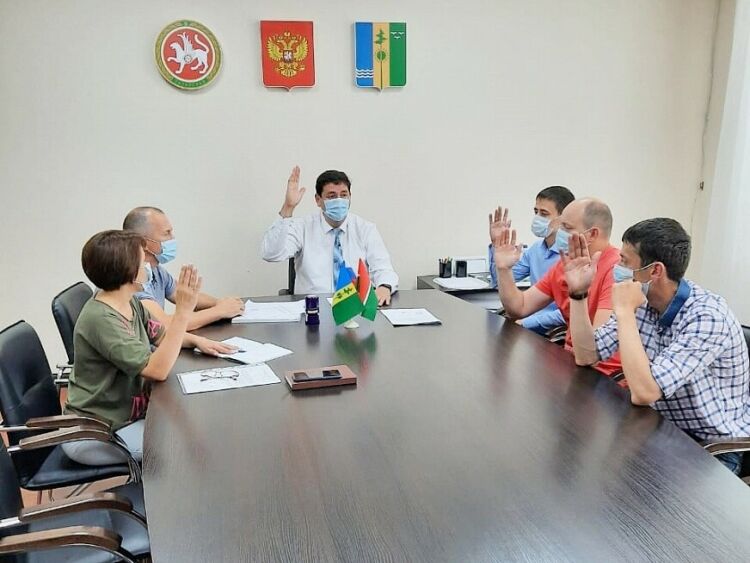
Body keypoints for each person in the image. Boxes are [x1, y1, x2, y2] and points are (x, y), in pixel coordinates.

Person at [564, 218, 750, 474]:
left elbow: (645, 393)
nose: (618, 268)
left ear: (655, 271)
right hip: (661, 429)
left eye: (625, 262)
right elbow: (587, 355)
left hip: (712, 448)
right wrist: (578, 294)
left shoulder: (707, 317)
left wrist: (625, 312)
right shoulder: (642, 300)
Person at [63, 230, 236, 465]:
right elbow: (157, 370)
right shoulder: (102, 319)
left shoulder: (129, 302)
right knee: (183, 448)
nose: (147, 265)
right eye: (141, 261)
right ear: (128, 272)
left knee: (200, 427)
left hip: (127, 417)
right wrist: (183, 312)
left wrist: (198, 341)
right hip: (98, 431)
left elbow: (162, 336)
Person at [491, 198, 621, 376]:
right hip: (570, 361)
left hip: (604, 372)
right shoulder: (565, 264)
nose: (560, 232)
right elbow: (519, 307)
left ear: (592, 234)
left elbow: (595, 348)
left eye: (567, 227)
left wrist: (578, 294)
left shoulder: (616, 270)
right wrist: (503, 269)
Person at [261, 166, 398, 304]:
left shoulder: (365, 229)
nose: (339, 200)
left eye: (344, 195)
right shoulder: (302, 227)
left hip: (355, 307)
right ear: (318, 200)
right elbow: (271, 254)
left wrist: (384, 287)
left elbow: (383, 269)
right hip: (312, 307)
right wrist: (288, 207)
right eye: (332, 196)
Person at [123, 207, 244, 329]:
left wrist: (221, 303)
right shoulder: (132, 278)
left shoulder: (156, 270)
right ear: (143, 243)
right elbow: (164, 324)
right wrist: (219, 311)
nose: (172, 238)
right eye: (167, 233)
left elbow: (183, 296)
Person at [487, 186, 575, 335]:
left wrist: (526, 323)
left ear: (563, 218)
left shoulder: (573, 256)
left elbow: (568, 312)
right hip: (525, 320)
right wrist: (497, 246)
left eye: (544, 214)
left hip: (551, 332)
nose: (537, 218)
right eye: (536, 212)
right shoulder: (535, 250)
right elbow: (497, 281)